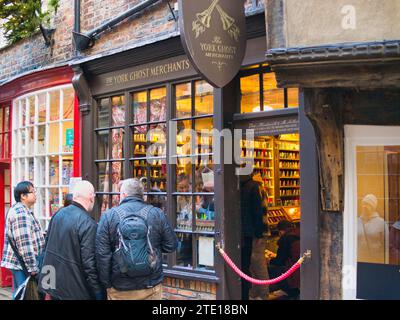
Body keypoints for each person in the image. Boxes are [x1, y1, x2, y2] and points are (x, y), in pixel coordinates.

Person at [96, 178, 178, 300]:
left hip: (119, 288)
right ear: (142, 195)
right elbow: (171, 245)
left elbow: (102, 255)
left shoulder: (109, 216)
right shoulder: (156, 214)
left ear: (123, 194)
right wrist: (153, 247)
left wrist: (107, 284)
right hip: (151, 287)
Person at [38, 180, 104, 300]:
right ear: (91, 197)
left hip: (55, 285)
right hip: (75, 290)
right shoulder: (88, 223)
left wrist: (47, 285)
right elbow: (89, 265)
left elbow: (47, 248)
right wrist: (98, 292)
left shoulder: (58, 214)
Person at [1, 181, 45, 299]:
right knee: (25, 294)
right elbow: (25, 244)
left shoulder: (21, 210)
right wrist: (33, 268)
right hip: (22, 264)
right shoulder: (21, 214)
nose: (35, 194)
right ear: (23, 196)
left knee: (21, 293)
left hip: (19, 263)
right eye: (32, 192)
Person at [240, 173, 266, 300]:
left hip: (239, 232)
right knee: (255, 264)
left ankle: (253, 293)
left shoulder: (236, 185)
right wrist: (259, 233)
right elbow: (258, 212)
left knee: (246, 265)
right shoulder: (254, 186)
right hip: (250, 232)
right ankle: (259, 293)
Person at [267, 220, 300, 299]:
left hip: (293, 275)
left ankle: (287, 290)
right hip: (301, 271)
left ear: (281, 231)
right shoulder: (298, 234)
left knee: (268, 270)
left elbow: (279, 261)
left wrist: (269, 261)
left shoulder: (285, 239)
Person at [357, 194, 388, 263]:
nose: (364, 206)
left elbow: (386, 245)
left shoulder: (381, 223)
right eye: (363, 204)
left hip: (375, 260)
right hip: (358, 259)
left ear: (373, 207)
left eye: (368, 204)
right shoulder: (356, 222)